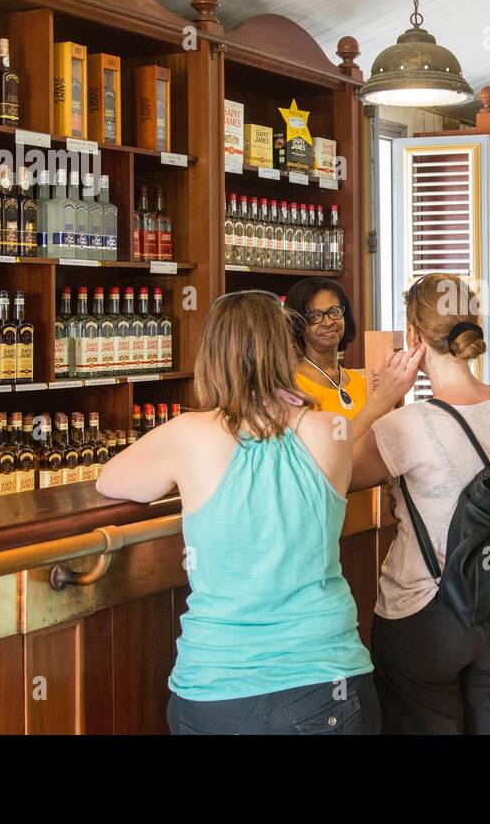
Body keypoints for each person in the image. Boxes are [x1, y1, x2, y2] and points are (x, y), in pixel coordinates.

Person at [96, 289, 378, 734]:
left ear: (212, 354)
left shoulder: (186, 435)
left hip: (215, 690)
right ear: (288, 351)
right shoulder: (330, 431)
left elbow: (109, 480)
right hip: (326, 681)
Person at [350, 273, 490, 733]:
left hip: (425, 611)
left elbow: (330, 470)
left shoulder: (405, 425)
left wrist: (381, 398)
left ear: (412, 335)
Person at [284, 278, 373, 426]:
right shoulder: (290, 385)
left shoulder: (363, 381)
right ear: (297, 324)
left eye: (334, 312)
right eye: (315, 316)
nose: (328, 322)